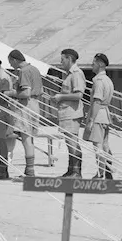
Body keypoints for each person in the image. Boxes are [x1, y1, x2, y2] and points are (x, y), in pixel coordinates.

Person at [5, 49, 43, 177]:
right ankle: (29, 170)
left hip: (26, 106)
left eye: (10, 62)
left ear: (15, 60)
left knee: (26, 138)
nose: (10, 65)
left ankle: (30, 171)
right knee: (29, 138)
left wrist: (11, 93)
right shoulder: (35, 69)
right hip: (35, 105)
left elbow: (26, 93)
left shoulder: (24, 71)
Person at [52, 48, 85, 178]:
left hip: (72, 113)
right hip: (66, 113)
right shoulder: (69, 74)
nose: (61, 63)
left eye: (63, 60)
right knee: (69, 142)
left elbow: (78, 95)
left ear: (69, 59)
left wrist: (61, 97)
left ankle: (76, 172)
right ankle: (71, 170)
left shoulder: (76, 73)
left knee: (72, 142)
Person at [84, 53, 114, 179]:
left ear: (100, 64)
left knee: (98, 146)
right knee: (105, 145)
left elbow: (96, 101)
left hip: (98, 115)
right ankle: (107, 171)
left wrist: (91, 120)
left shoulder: (99, 81)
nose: (92, 65)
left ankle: (102, 173)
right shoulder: (107, 80)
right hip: (105, 114)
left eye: (94, 62)